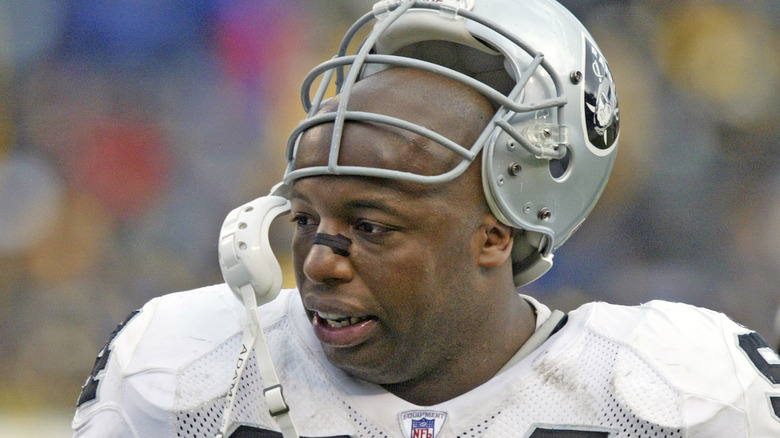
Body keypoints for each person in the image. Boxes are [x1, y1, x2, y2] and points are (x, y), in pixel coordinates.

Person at [72, 0, 780, 437]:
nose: (318, 260)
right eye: (305, 218)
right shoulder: (188, 371)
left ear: (495, 234)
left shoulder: (673, 389)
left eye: (372, 225)